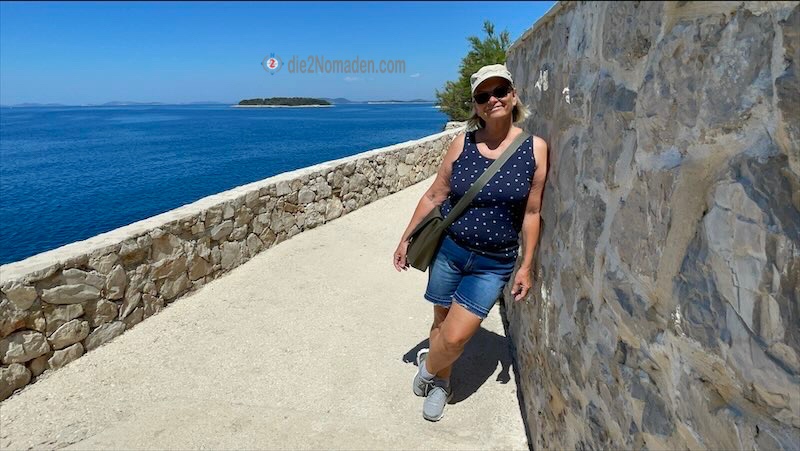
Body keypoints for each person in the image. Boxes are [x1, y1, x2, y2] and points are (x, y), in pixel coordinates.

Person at [393, 64, 548, 422]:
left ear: (513, 96)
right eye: (483, 96)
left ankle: (428, 368)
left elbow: (532, 212)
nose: (493, 99)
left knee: (455, 337)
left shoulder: (535, 149)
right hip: (450, 251)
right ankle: (442, 382)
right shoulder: (462, 143)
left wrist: (526, 265)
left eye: (500, 91)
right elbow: (435, 195)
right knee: (441, 320)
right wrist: (405, 238)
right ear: (476, 106)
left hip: (494, 263)